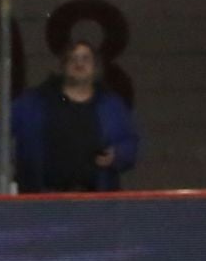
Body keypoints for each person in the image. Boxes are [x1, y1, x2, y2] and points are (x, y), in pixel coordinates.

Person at [10, 41, 140, 193]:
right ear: (62, 66)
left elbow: (130, 142)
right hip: (43, 199)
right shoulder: (34, 102)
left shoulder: (111, 105)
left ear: (95, 67)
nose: (79, 63)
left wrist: (117, 155)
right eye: (72, 58)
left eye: (85, 58)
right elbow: (1, 130)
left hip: (97, 201)